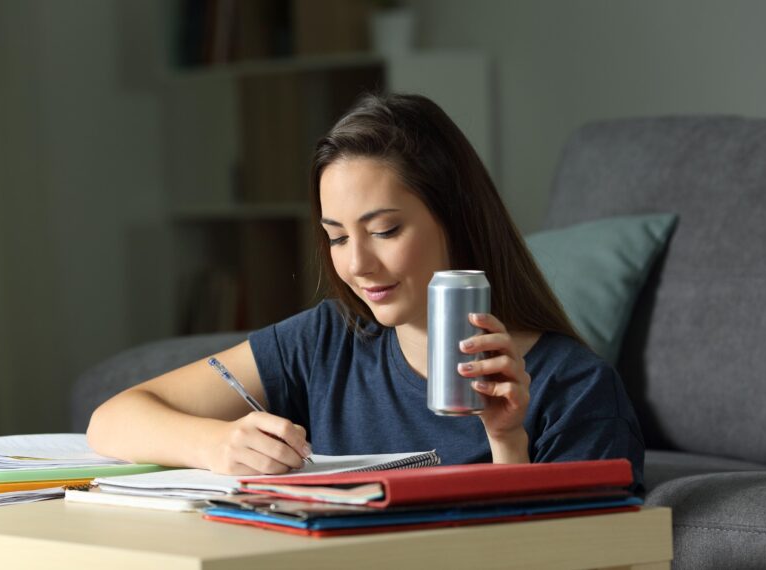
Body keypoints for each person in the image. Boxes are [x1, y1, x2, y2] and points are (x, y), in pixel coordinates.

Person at [87, 93, 645, 491]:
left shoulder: (577, 392)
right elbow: (113, 419)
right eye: (335, 237)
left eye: (385, 231)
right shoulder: (327, 341)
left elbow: (572, 557)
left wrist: (506, 444)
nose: (357, 265)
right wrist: (216, 445)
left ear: (456, 220)